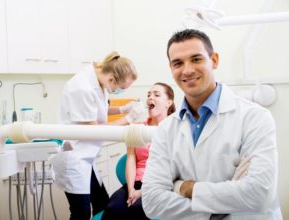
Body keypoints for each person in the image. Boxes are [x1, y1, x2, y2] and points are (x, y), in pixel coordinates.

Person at [141, 29, 282, 219]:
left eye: (196, 59)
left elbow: (259, 193)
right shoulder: (166, 130)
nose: (187, 70)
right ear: (171, 68)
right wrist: (224, 204)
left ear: (214, 60)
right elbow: (152, 202)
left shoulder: (255, 118)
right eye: (178, 63)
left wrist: (184, 187)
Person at [51, 51, 145, 220]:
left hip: (87, 156)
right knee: (81, 212)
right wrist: (128, 118)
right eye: (122, 88)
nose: (120, 92)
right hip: (75, 155)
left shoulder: (99, 79)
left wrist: (122, 109)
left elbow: (98, 108)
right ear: (112, 79)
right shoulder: (82, 87)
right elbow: (96, 129)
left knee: (102, 203)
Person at [101, 82, 176, 220]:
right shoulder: (137, 128)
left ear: (169, 102)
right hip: (136, 183)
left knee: (135, 210)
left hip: (161, 185)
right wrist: (131, 190)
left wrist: (142, 192)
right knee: (113, 208)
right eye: (148, 95)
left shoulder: (175, 130)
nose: (150, 97)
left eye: (156, 94)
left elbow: (176, 168)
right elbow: (131, 159)